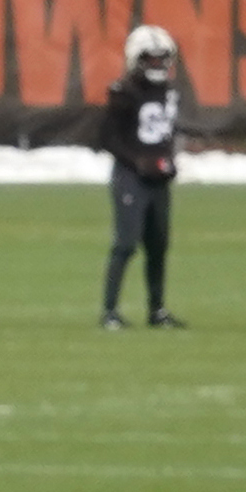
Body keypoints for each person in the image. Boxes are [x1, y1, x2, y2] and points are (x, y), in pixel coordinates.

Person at [100, 24, 185, 328]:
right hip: (130, 177)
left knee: (158, 244)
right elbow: (108, 138)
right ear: (136, 59)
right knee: (125, 243)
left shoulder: (169, 91)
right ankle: (109, 311)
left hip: (157, 179)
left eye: (163, 59)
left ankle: (157, 310)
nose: (158, 65)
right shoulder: (124, 92)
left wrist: (168, 161)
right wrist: (138, 162)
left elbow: (165, 134)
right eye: (151, 59)